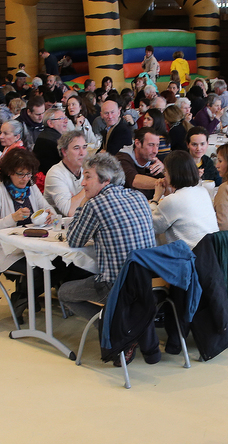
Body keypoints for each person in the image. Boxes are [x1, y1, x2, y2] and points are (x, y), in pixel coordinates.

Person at [58, 153, 159, 363]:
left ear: (105, 181)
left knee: (63, 292)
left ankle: (113, 326)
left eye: (88, 177)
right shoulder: (139, 196)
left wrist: (85, 200)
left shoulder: (95, 205)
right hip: (147, 284)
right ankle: (124, 323)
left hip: (116, 287)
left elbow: (74, 239)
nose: (83, 183)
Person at [0, 148, 56, 273]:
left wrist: (50, 214)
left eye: (28, 174)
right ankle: (22, 293)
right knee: (40, 270)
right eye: (20, 174)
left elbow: (47, 208)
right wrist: (12, 218)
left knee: (58, 263)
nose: (25, 178)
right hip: (6, 251)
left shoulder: (31, 187)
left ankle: (28, 291)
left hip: (31, 246)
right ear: (9, 172)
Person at [150, 150, 218, 249]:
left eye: (166, 171)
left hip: (190, 258)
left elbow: (151, 226)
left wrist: (156, 198)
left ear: (172, 174)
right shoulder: (202, 190)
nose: (164, 175)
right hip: (212, 253)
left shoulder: (173, 200)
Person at [44, 130, 87, 217]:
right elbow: (70, 212)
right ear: (64, 151)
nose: (82, 153)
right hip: (57, 225)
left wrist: (75, 199)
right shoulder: (55, 173)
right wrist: (90, 186)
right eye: (77, 148)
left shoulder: (88, 168)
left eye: (84, 147)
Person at [117, 127, 165, 199]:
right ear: (137, 143)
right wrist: (164, 183)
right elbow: (134, 180)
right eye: (151, 145)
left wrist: (164, 171)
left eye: (157, 145)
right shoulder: (122, 158)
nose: (155, 151)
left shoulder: (152, 159)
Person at [33, 107, 69, 174]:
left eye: (65, 118)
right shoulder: (54, 141)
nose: (66, 121)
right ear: (50, 123)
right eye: (61, 118)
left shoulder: (46, 135)